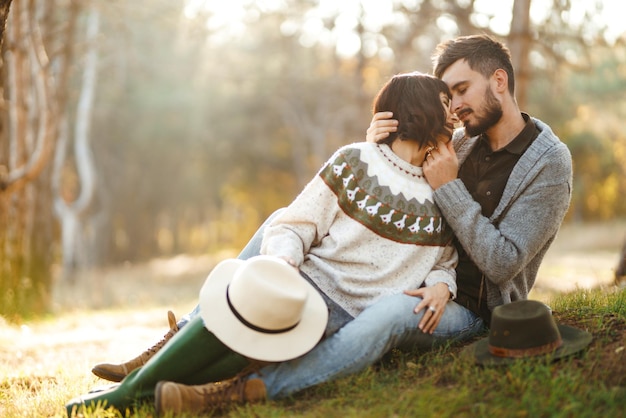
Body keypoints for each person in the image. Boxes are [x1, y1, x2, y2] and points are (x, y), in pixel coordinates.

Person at [145, 33, 571, 413]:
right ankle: (181, 337)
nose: (455, 107)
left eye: (462, 91)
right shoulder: (459, 139)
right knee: (284, 222)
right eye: (450, 95)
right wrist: (376, 150)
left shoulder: (549, 163)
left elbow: (502, 263)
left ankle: (240, 393)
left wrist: (449, 194)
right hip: (409, 269)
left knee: (390, 314)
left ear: (499, 81)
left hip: (468, 306)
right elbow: (397, 182)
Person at [67, 71, 460, 416]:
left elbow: (444, 259)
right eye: (445, 102)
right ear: (419, 108)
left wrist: (444, 284)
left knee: (241, 348)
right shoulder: (355, 161)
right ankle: (131, 393)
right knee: (237, 312)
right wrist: (283, 262)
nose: (454, 111)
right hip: (301, 286)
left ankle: (138, 392)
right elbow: (294, 224)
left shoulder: (442, 188)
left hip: (346, 318)